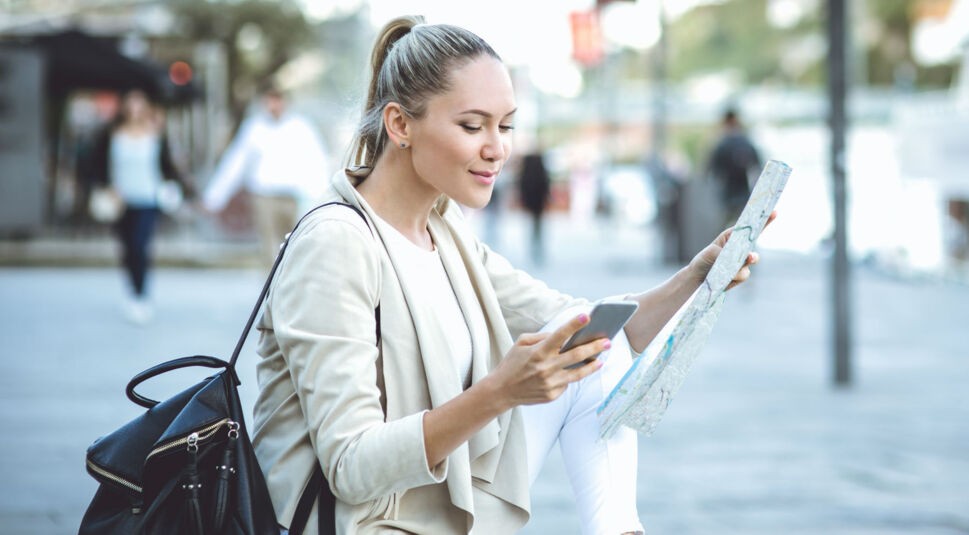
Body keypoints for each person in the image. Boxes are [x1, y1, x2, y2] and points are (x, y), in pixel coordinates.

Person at [251, 16, 771, 535]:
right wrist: (499, 392)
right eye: (472, 126)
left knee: (594, 354)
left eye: (505, 126)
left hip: (436, 505)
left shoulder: (443, 229)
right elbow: (350, 467)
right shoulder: (336, 243)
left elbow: (584, 326)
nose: (497, 148)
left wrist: (696, 277)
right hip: (363, 522)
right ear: (400, 125)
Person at [89, 89, 191, 324]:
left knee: (140, 246)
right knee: (127, 248)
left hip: (148, 199)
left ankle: (141, 295)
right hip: (120, 201)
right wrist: (106, 187)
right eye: (131, 105)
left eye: (139, 105)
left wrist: (177, 188)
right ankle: (133, 290)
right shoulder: (112, 135)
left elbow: (167, 167)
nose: (135, 110)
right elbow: (97, 165)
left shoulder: (155, 135)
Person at [202, 83, 330, 268]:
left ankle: (291, 280)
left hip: (291, 197)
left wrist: (321, 198)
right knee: (269, 248)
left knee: (294, 245)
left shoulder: (301, 127)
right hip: (264, 197)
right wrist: (214, 197)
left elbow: (316, 162)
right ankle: (272, 283)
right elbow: (235, 164)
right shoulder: (254, 128)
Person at [707, 108, 762, 228]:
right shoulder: (746, 142)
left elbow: (711, 171)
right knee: (745, 229)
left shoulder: (721, 145)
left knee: (725, 232)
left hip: (726, 196)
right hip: (744, 195)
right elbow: (758, 167)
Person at [517, 150, 552, 266]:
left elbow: (521, 187)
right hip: (538, 203)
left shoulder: (526, 172)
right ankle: (537, 248)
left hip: (532, 202)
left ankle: (535, 248)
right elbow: (546, 186)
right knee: (537, 226)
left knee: (534, 226)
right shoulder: (541, 172)